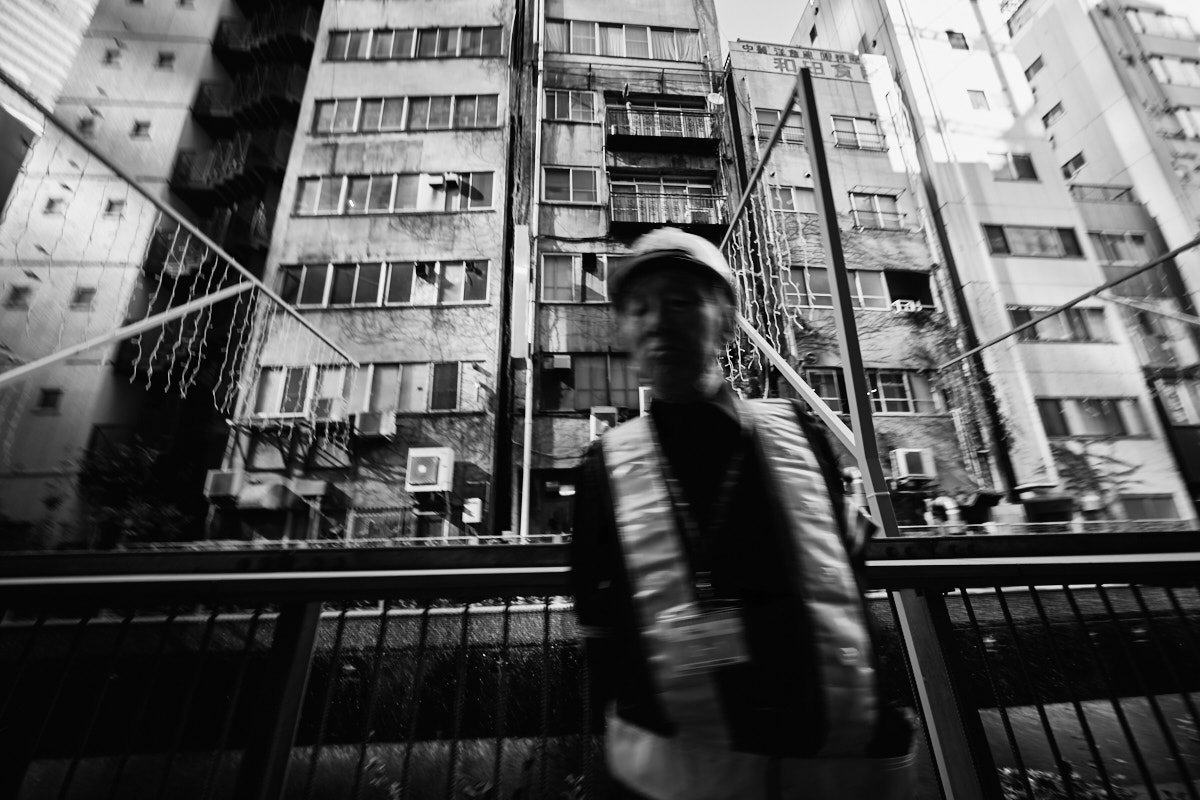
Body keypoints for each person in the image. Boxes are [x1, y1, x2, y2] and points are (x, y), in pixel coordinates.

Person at [569, 228, 915, 800]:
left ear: (727, 323)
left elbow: (847, 583)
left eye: (680, 301)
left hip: (831, 759)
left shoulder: (799, 434)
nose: (656, 321)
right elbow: (600, 633)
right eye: (638, 309)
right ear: (625, 333)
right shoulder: (604, 465)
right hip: (677, 771)